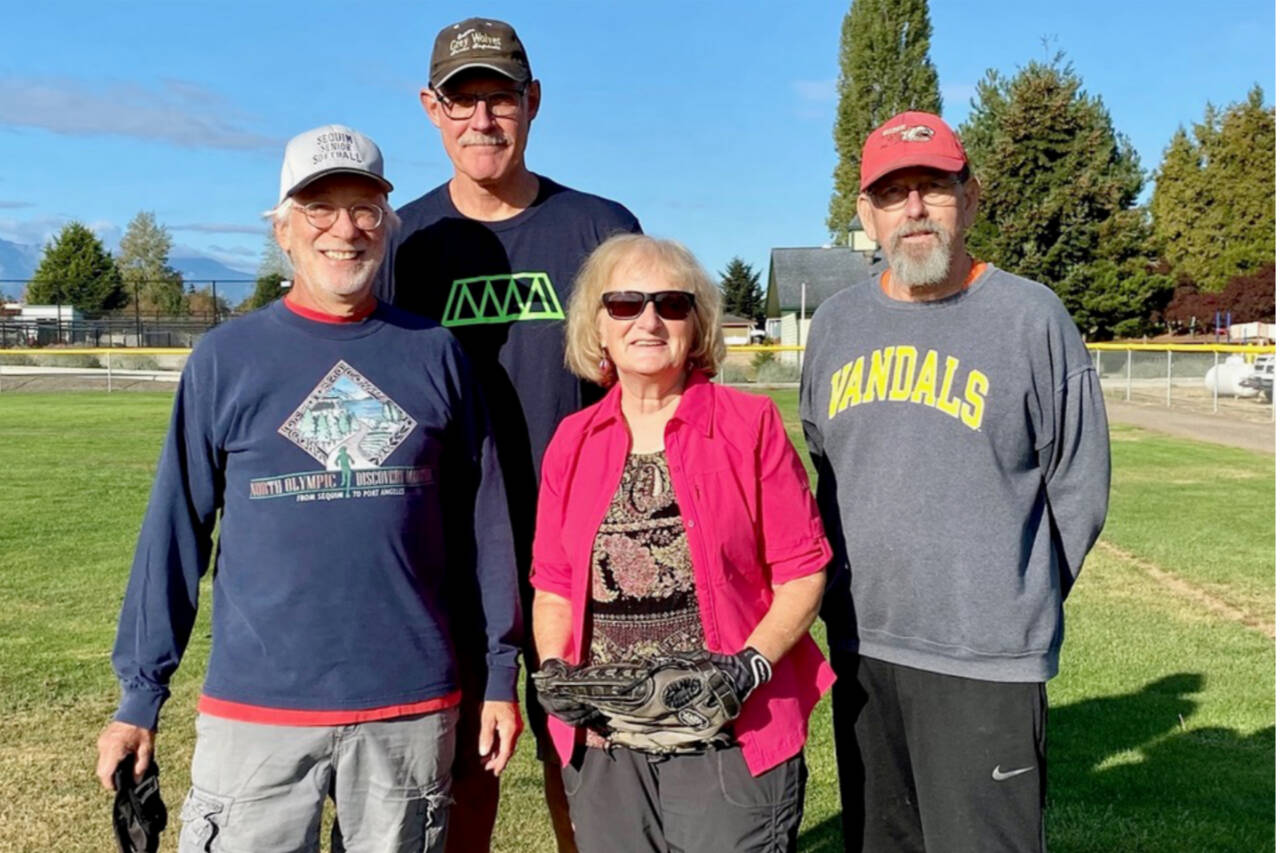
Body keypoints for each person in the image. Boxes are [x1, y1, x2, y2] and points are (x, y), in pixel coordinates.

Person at [94, 124, 523, 853]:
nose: (344, 229)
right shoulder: (227, 359)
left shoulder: (434, 352)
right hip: (258, 709)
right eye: (319, 209)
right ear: (285, 230)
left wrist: (502, 672)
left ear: (387, 227)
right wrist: (141, 694)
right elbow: (174, 531)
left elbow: (485, 525)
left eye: (364, 208)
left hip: (409, 707)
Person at [799, 111, 1111, 852]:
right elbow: (825, 467)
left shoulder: (1030, 317)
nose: (914, 209)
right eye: (893, 192)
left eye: (933, 187)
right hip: (864, 646)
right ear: (864, 214)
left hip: (985, 657)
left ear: (970, 198)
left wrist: (1011, 594)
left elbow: (1080, 485)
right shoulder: (838, 324)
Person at [376, 17, 642, 852]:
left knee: (595, 772)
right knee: (459, 779)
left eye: (500, 98)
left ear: (533, 103)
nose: (481, 119)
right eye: (462, 100)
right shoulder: (404, 242)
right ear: (430, 108)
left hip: (589, 553)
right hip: (451, 555)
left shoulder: (598, 228)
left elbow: (649, 386)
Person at [530, 234, 834, 852]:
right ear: (599, 325)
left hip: (726, 733)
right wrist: (555, 668)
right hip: (605, 741)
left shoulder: (748, 426)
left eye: (671, 303)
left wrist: (748, 668)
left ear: (696, 326)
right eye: (625, 304)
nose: (648, 319)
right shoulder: (573, 439)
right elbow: (554, 584)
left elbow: (803, 571)